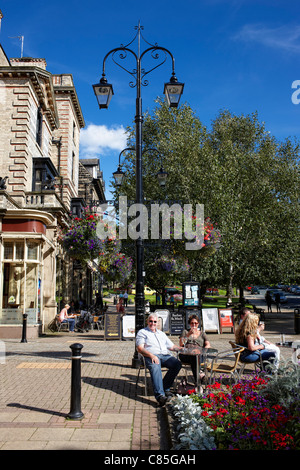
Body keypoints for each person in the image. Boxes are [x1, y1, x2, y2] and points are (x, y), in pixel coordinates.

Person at [136, 313, 182, 406]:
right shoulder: (142, 332)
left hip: (164, 355)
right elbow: (140, 348)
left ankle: (165, 387)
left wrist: (183, 349)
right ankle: (160, 396)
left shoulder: (162, 334)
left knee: (177, 364)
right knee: (155, 366)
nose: (152, 323)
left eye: (155, 322)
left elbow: (172, 346)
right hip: (149, 356)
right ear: (147, 321)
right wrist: (151, 355)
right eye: (151, 321)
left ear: (157, 323)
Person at [179, 315, 211, 383]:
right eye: (192, 323)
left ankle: (198, 382)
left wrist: (203, 350)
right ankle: (200, 375)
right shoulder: (185, 332)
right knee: (194, 357)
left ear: (198, 324)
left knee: (195, 357)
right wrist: (188, 335)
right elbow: (181, 344)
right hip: (186, 354)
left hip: (199, 354)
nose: (194, 325)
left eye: (195, 323)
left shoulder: (202, 333)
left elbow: (208, 344)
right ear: (189, 324)